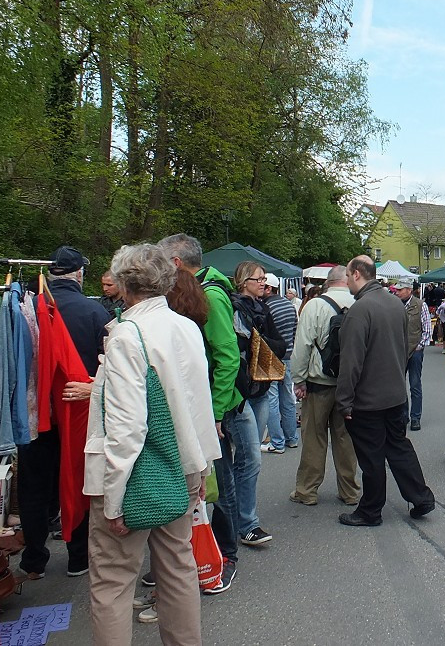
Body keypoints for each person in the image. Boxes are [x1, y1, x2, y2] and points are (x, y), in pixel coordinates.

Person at [84, 244, 220, 646]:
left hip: (135, 474)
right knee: (177, 567)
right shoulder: (186, 326)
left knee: (112, 580)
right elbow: (197, 401)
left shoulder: (128, 334)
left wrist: (113, 497)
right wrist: (202, 468)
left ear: (124, 284)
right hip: (183, 463)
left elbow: (127, 425)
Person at [19, 245, 110, 581]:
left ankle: (34, 559)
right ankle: (77, 556)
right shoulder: (93, 312)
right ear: (79, 274)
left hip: (35, 409)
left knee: (34, 484)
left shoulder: (22, 308)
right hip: (79, 408)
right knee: (80, 479)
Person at [158, 233, 243, 593]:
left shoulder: (210, 294)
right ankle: (196, 552)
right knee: (202, 482)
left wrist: (217, 411)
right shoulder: (187, 291)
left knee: (217, 481)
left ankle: (226, 553)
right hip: (200, 406)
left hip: (212, 409)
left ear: (175, 263)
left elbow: (227, 355)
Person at [336, 256, 435, 526]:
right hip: (394, 393)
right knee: (398, 445)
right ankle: (421, 496)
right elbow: (404, 346)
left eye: (347, 276)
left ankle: (371, 510)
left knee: (371, 457)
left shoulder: (360, 310)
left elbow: (351, 362)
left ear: (357, 274)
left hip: (368, 399)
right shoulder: (395, 303)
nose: (346, 281)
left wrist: (344, 401)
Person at [289, 266, 360, 507]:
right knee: (345, 439)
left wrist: (298, 379)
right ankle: (350, 491)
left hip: (318, 383)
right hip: (350, 385)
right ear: (346, 280)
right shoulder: (360, 303)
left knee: (313, 438)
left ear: (329, 282)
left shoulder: (315, 305)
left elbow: (302, 346)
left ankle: (307, 491)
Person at [230, 260, 283, 545]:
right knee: (250, 458)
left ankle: (236, 518)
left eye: (264, 279)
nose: (263, 283)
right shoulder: (235, 309)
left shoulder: (263, 308)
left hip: (261, 388)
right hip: (242, 394)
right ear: (243, 281)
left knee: (248, 459)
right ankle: (246, 523)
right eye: (258, 279)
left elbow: (279, 343)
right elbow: (236, 354)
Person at [260, 273, 299, 453]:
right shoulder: (289, 306)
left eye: (263, 286)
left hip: (271, 356)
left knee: (272, 399)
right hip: (288, 356)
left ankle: (277, 442)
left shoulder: (266, 308)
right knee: (287, 398)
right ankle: (292, 438)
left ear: (269, 288)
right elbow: (294, 331)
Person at [394, 278, 431, 430]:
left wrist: (420, 346)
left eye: (400, 290)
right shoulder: (394, 305)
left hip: (415, 351)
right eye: (397, 289)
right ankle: (403, 416)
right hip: (398, 351)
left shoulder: (421, 305)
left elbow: (427, 329)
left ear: (409, 290)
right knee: (399, 385)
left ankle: (416, 417)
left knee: (415, 385)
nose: (397, 292)